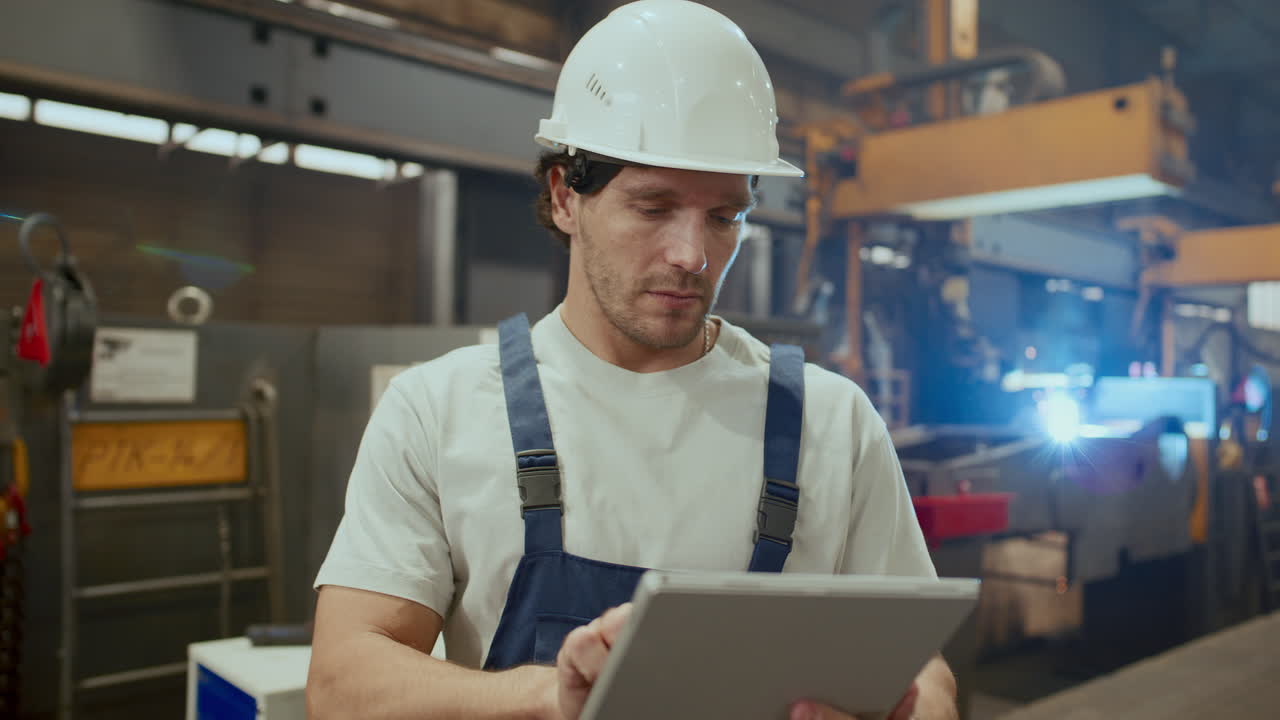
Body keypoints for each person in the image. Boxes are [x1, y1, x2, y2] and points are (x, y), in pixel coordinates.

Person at [306, 1, 957, 718]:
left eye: (724, 216)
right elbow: (342, 684)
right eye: (654, 207)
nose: (692, 254)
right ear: (565, 197)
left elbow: (923, 671)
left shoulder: (831, 425)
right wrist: (553, 696)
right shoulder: (438, 412)